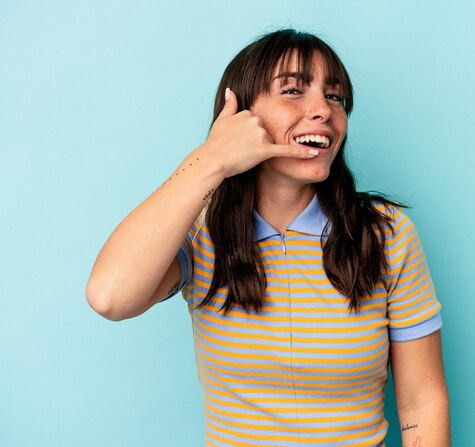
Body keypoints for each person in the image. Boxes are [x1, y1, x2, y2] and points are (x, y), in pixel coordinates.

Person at [86, 29, 450, 447]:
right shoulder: (200, 232)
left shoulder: (386, 233)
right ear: (242, 116)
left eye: (335, 97)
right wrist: (212, 158)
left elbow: (422, 400)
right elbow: (109, 296)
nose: (323, 111)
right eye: (294, 90)